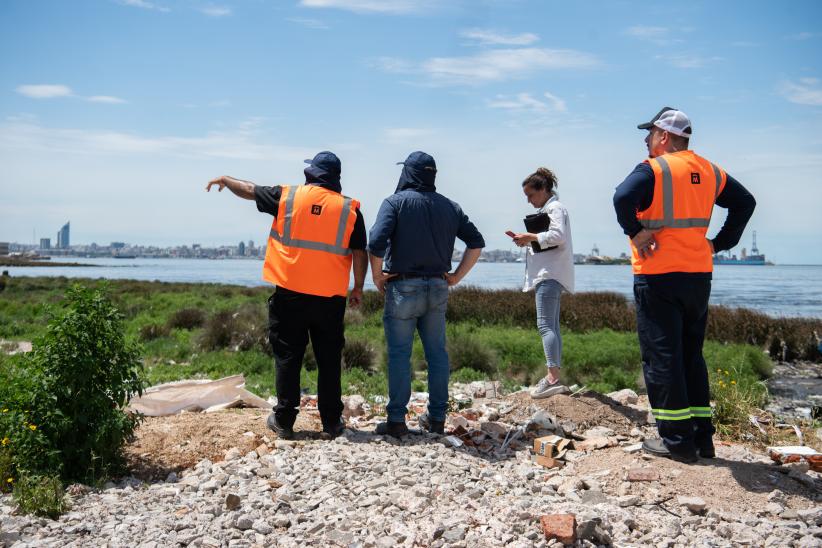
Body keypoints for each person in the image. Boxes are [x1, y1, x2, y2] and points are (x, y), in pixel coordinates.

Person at [613, 108, 756, 463]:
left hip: (658, 276)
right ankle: (701, 440)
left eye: (649, 134)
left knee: (662, 358)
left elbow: (620, 197)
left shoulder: (654, 169)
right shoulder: (709, 170)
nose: (646, 141)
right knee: (691, 356)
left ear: (663, 136)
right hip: (697, 276)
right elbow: (745, 203)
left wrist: (635, 231)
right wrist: (718, 244)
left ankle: (676, 442)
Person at [205, 151, 368, 440]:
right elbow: (359, 252)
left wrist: (225, 180)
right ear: (336, 177)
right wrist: (357, 287)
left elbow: (250, 189)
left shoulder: (288, 197)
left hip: (290, 295)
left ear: (312, 173)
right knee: (329, 359)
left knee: (288, 357)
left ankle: (284, 421)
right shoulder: (350, 209)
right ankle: (331, 422)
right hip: (330, 300)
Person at [368, 151, 485, 437]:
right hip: (437, 287)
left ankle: (396, 421)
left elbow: (375, 242)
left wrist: (377, 275)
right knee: (437, 355)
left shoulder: (394, 203)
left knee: (399, 354)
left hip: (402, 287)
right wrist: (456, 277)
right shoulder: (450, 206)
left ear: (407, 172)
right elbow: (477, 243)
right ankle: (436, 421)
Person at [509, 167, 574, 399]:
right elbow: (551, 242)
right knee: (552, 326)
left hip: (549, 275)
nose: (528, 200)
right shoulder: (552, 208)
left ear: (544, 189)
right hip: (551, 273)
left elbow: (558, 237)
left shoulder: (555, 208)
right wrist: (527, 242)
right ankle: (553, 375)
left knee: (545, 326)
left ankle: (552, 378)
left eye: (530, 195)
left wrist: (531, 237)